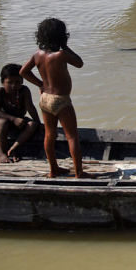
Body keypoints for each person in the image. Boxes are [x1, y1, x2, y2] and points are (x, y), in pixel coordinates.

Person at [20, 18, 90, 178]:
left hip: (45, 99)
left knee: (49, 134)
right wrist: (65, 46)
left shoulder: (37, 55)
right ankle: (79, 172)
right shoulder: (62, 54)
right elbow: (80, 63)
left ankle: (53, 169)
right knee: (72, 136)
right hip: (61, 100)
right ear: (62, 36)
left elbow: (23, 72)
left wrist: (40, 84)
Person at [0, 63, 41, 163]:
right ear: (3, 82)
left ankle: (13, 148)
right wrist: (13, 119)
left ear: (22, 81)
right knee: (3, 122)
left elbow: (30, 107)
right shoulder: (0, 92)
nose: (14, 85)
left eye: (18, 82)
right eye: (9, 82)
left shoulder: (24, 91)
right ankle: (2, 153)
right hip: (2, 118)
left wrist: (38, 123)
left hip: (19, 119)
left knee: (32, 124)